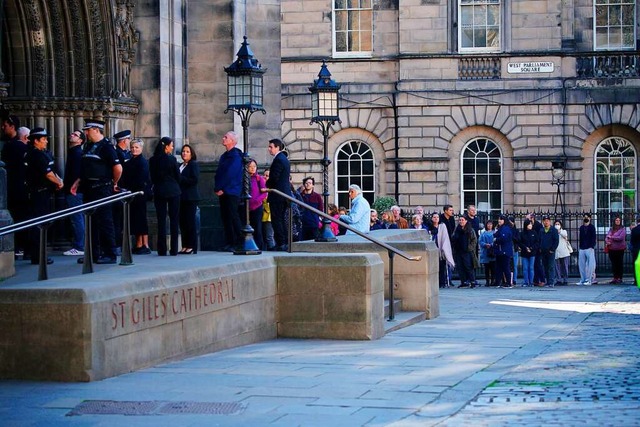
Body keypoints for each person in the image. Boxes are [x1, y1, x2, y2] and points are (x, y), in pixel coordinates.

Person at [71, 119, 121, 265]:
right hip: (88, 187)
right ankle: (93, 253)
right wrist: (78, 181)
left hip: (102, 187)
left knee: (105, 221)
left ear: (96, 130)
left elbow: (118, 168)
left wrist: (114, 182)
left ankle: (110, 253)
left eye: (88, 130)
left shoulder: (106, 147)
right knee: (91, 221)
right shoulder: (88, 146)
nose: (86, 133)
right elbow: (86, 167)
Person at [24, 128, 63, 265]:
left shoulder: (39, 153)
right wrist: (59, 183)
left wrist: (57, 181)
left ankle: (36, 254)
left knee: (39, 223)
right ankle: (38, 256)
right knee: (40, 224)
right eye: (44, 139)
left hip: (41, 192)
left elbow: (51, 171)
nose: (46, 141)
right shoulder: (36, 155)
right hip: (39, 193)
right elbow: (47, 173)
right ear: (36, 141)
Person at [1, 115, 28, 258]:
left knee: (18, 216)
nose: (2, 128)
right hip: (17, 187)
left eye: (5, 125)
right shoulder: (17, 146)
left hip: (14, 187)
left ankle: (19, 247)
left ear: (12, 126)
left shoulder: (14, 145)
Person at [149, 136, 181, 256]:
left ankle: (161, 249)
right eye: (171, 146)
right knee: (174, 220)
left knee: (161, 220)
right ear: (166, 146)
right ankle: (173, 249)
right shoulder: (172, 159)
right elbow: (178, 176)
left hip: (159, 191)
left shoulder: (152, 160)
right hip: (173, 191)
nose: (172, 148)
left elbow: (152, 176)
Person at [121, 139, 152, 255]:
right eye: (133, 147)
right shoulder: (129, 162)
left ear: (141, 149)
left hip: (139, 194)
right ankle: (139, 243)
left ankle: (144, 244)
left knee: (141, 218)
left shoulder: (143, 162)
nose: (134, 149)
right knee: (135, 219)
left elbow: (142, 179)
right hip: (132, 194)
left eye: (137, 147)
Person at [214, 131, 243, 251]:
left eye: (226, 137)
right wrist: (217, 188)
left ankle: (239, 241)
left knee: (233, 216)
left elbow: (231, 174)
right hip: (224, 191)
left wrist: (222, 188)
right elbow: (219, 173)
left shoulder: (235, 156)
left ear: (232, 141)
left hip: (231, 191)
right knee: (226, 217)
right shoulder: (224, 156)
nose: (223, 138)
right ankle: (230, 242)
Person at [62, 130, 85, 256]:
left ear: (81, 140)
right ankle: (79, 245)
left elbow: (78, 174)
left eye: (76, 135)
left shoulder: (77, 153)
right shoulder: (73, 152)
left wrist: (73, 187)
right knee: (76, 218)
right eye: (72, 133)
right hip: (71, 190)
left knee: (77, 218)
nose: (71, 135)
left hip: (74, 191)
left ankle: (79, 246)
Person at [266, 138, 291, 251]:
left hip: (278, 195)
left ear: (277, 147)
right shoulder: (283, 158)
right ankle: (283, 242)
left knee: (277, 219)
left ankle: (282, 243)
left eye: (271, 147)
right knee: (280, 219)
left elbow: (274, 178)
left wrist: (267, 183)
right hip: (283, 194)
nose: (269, 149)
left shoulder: (279, 159)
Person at [177, 144, 201, 254]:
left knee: (190, 222)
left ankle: (191, 245)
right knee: (182, 222)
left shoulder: (193, 165)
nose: (184, 153)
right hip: (181, 197)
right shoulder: (180, 165)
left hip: (190, 197)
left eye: (187, 151)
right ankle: (185, 245)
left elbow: (194, 180)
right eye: (183, 151)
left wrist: (180, 178)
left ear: (191, 154)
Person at [112, 130, 133, 250]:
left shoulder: (126, 153)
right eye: (128, 140)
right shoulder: (118, 153)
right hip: (119, 189)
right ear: (124, 141)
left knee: (122, 219)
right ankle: (117, 244)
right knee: (117, 219)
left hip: (126, 189)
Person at [427, 212, 455, 288]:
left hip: (440, 249)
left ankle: (442, 282)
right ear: (432, 218)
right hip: (432, 248)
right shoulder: (429, 226)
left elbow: (445, 237)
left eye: (437, 217)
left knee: (441, 267)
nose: (436, 219)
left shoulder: (442, 226)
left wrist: (444, 249)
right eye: (434, 217)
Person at [246, 158, 267, 250]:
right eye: (250, 166)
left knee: (257, 228)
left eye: (254, 166)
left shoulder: (259, 179)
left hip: (257, 207)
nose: (252, 168)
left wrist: (257, 201)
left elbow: (264, 192)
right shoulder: (244, 178)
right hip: (246, 207)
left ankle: (259, 247)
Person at [451, 216, 478, 288]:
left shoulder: (470, 230)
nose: (461, 221)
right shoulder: (457, 230)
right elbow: (453, 238)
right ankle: (463, 281)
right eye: (460, 220)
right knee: (460, 267)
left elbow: (474, 240)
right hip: (458, 251)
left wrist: (469, 248)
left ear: (466, 221)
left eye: (462, 220)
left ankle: (472, 281)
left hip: (467, 251)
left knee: (468, 267)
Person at [536, 215, 560, 287]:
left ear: (549, 221)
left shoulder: (553, 230)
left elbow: (556, 241)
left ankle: (551, 282)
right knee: (545, 267)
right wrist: (540, 248)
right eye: (544, 221)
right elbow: (539, 240)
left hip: (550, 251)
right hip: (543, 251)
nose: (546, 222)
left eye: (547, 221)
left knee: (551, 266)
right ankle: (548, 281)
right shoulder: (541, 230)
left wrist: (552, 249)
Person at [298, 176, 323, 240]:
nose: (308, 184)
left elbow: (320, 210)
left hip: (314, 223)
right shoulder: (300, 196)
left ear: (313, 185)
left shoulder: (317, 196)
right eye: (306, 183)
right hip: (302, 224)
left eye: (310, 183)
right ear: (304, 185)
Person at [493, 215, 514, 288]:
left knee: (505, 267)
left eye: (501, 219)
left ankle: (508, 282)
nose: (499, 221)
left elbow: (503, 238)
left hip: (504, 250)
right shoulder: (501, 228)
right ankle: (499, 282)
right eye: (499, 219)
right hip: (500, 251)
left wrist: (496, 240)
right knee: (499, 267)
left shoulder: (505, 228)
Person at [605, 216, 627, 284]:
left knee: (619, 263)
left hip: (619, 249)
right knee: (614, 264)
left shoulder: (622, 229)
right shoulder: (611, 229)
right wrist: (607, 241)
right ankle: (615, 277)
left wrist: (611, 237)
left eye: (619, 220)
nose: (617, 221)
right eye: (616, 220)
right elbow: (607, 237)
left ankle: (620, 278)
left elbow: (620, 237)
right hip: (612, 249)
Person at [577, 213, 597, 286]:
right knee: (581, 265)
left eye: (587, 217)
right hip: (582, 247)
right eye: (584, 217)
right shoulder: (581, 227)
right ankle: (583, 279)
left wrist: (592, 246)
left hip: (589, 247)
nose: (586, 218)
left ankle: (589, 279)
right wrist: (580, 246)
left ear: (590, 218)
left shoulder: (592, 227)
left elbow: (593, 237)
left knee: (590, 265)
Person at [519, 219, 539, 287]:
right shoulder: (522, 233)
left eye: (531, 224)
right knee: (525, 268)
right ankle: (526, 281)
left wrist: (531, 248)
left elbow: (537, 242)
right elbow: (520, 242)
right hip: (524, 252)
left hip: (532, 252)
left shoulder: (534, 233)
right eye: (529, 224)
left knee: (531, 268)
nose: (530, 225)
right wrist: (525, 248)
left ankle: (531, 282)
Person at [261, 169, 276, 250]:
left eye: (267, 176)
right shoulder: (263, 186)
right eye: (264, 175)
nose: (265, 177)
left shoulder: (271, 189)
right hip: (263, 215)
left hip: (268, 215)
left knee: (269, 236)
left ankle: (272, 249)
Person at [554, 220, 572, 286]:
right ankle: (558, 279)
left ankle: (565, 280)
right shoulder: (553, 232)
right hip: (556, 252)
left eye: (558, 224)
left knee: (565, 266)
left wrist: (559, 231)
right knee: (557, 267)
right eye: (556, 224)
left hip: (563, 251)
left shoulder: (564, 231)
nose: (557, 225)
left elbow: (565, 235)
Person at [479, 219, 496, 287]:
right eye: (488, 224)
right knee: (486, 269)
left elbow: (496, 241)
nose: (489, 225)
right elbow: (480, 241)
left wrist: (491, 245)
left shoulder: (494, 233)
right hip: (485, 252)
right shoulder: (483, 233)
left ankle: (492, 280)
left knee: (493, 268)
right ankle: (487, 281)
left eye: (491, 224)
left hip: (492, 252)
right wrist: (485, 244)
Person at [630, 216, 640, 286]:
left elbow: (632, 241)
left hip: (636, 249)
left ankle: (636, 280)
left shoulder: (634, 230)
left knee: (636, 265)